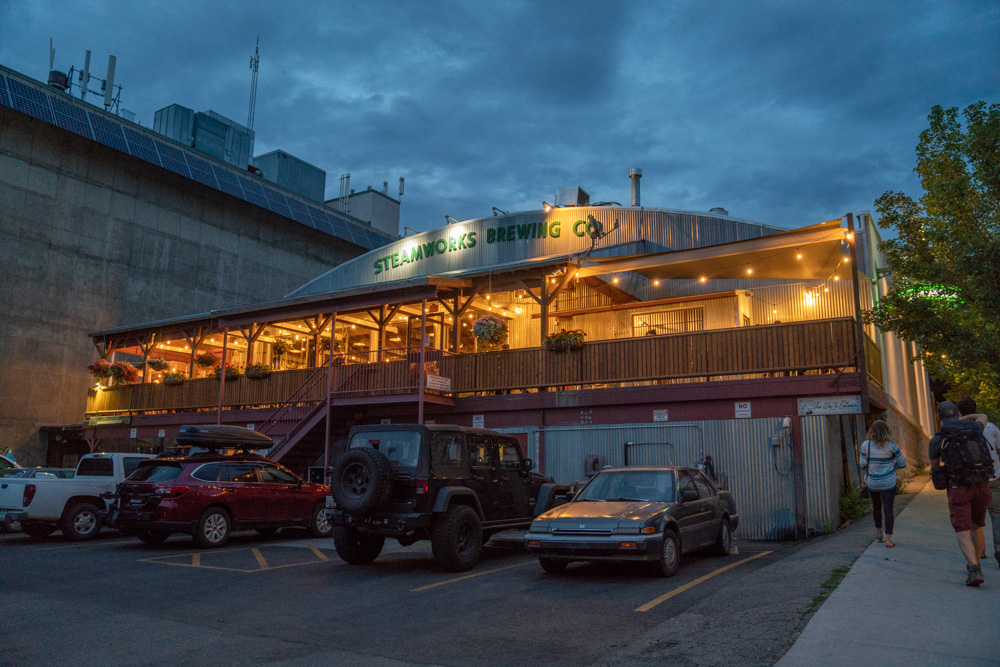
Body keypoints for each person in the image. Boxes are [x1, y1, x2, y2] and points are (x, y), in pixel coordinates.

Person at [929, 401, 992, 586]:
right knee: (977, 526)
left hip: (958, 487)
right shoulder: (974, 428)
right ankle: (977, 562)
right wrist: (963, 418)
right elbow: (983, 416)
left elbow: (935, 467)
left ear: (939, 417)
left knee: (962, 529)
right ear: (957, 413)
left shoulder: (938, 438)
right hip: (981, 484)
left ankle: (974, 569)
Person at [957, 397, 1000, 568]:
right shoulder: (991, 428)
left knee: (976, 519)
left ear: (960, 412)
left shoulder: (958, 429)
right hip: (994, 477)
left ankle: (978, 553)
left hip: (972, 480)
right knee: (996, 514)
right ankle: (998, 547)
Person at [859, 420, 906, 548]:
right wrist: (891, 467)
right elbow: (902, 463)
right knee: (888, 508)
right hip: (888, 483)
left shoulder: (866, 445)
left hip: (873, 482)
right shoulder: (892, 446)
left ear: (871, 431)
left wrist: (873, 465)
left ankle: (879, 533)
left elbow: (862, 465)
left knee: (876, 506)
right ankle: (888, 540)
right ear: (887, 431)